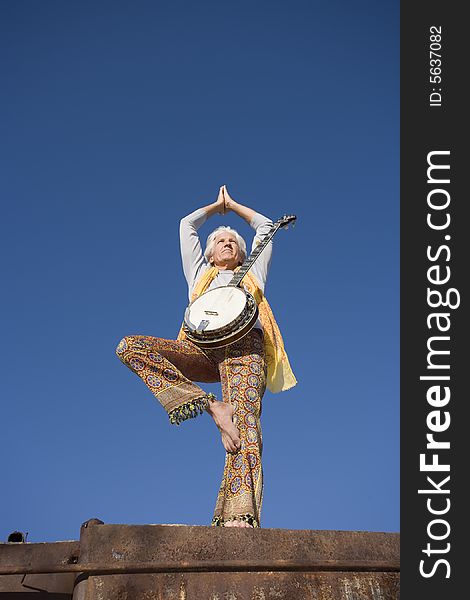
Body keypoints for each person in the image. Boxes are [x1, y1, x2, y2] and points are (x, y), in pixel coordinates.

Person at [116, 185, 296, 528]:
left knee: (245, 425)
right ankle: (212, 405)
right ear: (210, 255)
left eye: (234, 243)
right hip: (201, 347)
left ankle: (238, 517)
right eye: (220, 242)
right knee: (130, 346)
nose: (227, 244)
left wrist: (237, 208)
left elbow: (266, 228)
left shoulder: (253, 275)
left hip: (245, 346)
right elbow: (187, 226)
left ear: (242, 256)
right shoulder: (199, 276)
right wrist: (217, 207)